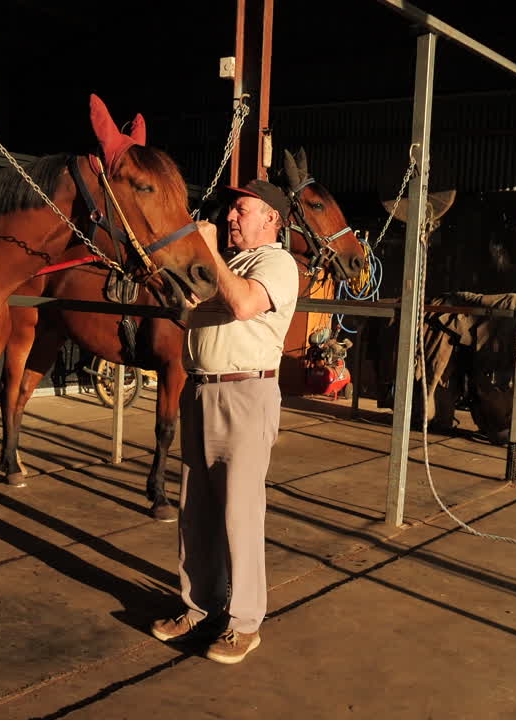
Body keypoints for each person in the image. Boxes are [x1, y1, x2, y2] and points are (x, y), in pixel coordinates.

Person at [150, 178, 299, 664]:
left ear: (271, 220)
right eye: (230, 210)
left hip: (245, 392)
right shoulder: (230, 264)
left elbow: (242, 305)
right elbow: (189, 315)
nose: (230, 217)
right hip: (202, 390)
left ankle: (244, 623)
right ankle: (199, 606)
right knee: (197, 510)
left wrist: (208, 251)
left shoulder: (276, 264)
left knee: (239, 511)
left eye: (242, 210)